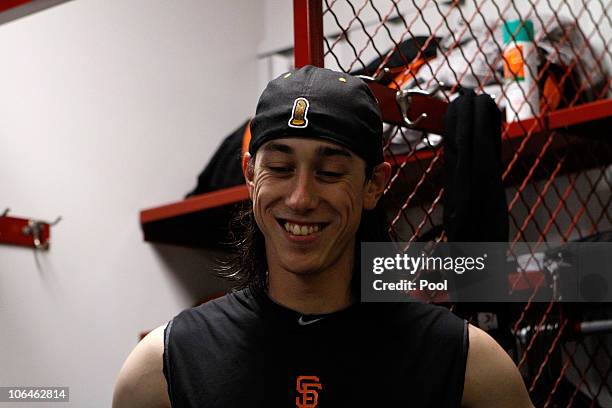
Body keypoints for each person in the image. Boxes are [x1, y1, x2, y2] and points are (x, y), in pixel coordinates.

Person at [113, 65, 534, 408]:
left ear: (374, 184)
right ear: (249, 175)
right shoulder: (163, 369)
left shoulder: (468, 367)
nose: (300, 198)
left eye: (330, 173)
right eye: (279, 168)